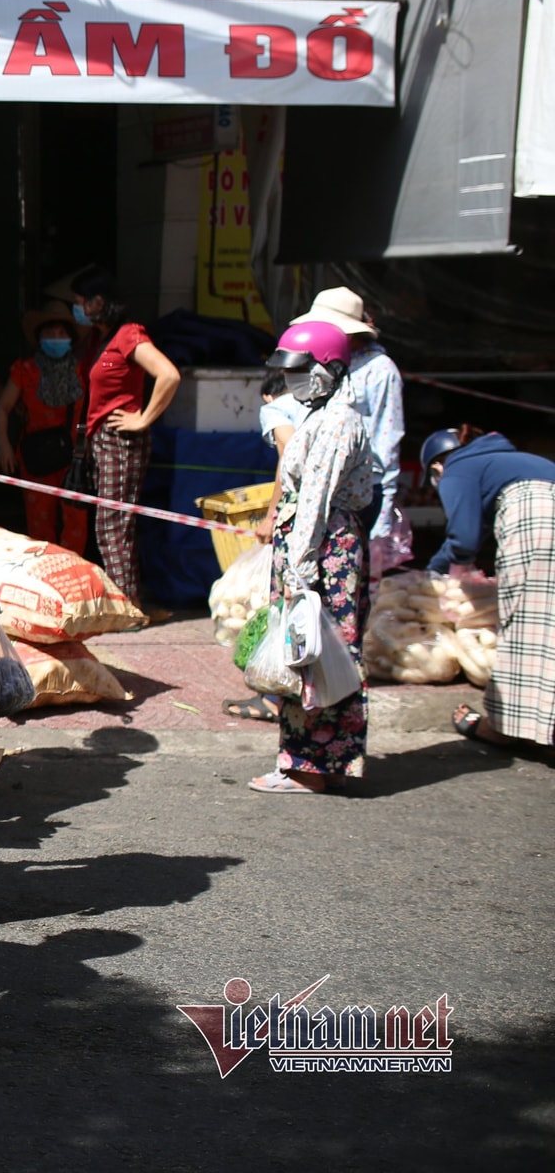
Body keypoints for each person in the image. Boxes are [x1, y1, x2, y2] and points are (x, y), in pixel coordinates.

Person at [248, 321, 375, 795]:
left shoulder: (337, 421)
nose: (294, 379)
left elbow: (316, 498)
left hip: (324, 550)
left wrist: (301, 567)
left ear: (331, 368)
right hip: (314, 545)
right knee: (303, 653)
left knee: (321, 655)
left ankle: (312, 767)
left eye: (303, 369)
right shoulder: (319, 415)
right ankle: (301, 761)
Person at [424, 428, 555, 749]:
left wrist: (447, 569)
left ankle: (505, 727)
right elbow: (475, 531)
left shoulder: (457, 468)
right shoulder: (513, 460)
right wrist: (438, 565)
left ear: (437, 466)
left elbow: (465, 538)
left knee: (525, 624)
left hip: (537, 525)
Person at [74, 283, 180, 610]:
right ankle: (127, 602)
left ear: (99, 300)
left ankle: (127, 607)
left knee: (113, 525)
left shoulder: (128, 334)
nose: (76, 310)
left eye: (80, 302)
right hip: (103, 439)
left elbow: (169, 375)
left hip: (121, 438)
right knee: (111, 525)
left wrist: (144, 419)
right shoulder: (98, 339)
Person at [291, 287, 405, 567]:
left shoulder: (380, 370)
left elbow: (386, 443)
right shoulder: (319, 362)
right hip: (313, 488)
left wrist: (383, 515)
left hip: (354, 494)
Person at [223, 368, 310, 723]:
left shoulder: (278, 407)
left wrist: (273, 515)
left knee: (289, 607)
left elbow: (287, 454)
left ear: (269, 396)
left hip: (301, 521)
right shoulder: (330, 406)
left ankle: (277, 695)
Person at [0, 301, 88, 555]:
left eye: (61, 334)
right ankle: (46, 572)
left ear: (71, 338)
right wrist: (5, 445)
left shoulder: (84, 370)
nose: (56, 339)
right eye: (50, 334)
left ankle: (73, 573)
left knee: (76, 520)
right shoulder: (24, 370)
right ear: (39, 337)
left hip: (76, 458)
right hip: (37, 457)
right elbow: (3, 407)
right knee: (39, 520)